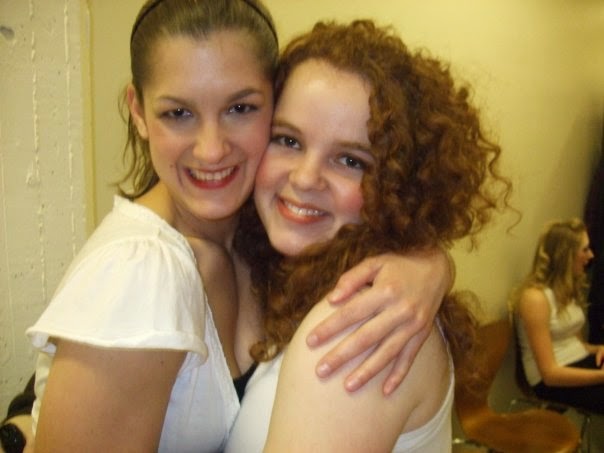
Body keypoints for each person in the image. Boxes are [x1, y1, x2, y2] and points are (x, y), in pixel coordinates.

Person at [24, 1, 451, 452]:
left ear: (272, 103)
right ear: (138, 111)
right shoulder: (140, 272)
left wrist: (429, 262)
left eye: (240, 108)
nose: (211, 150)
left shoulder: (263, 240)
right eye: (178, 113)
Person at [225, 19, 511, 452]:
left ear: (399, 186)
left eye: (351, 161)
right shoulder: (285, 280)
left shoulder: (360, 329)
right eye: (288, 140)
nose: (305, 178)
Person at [511, 218, 604, 414]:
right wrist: (601, 376)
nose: (591, 255)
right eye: (585, 249)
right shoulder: (535, 299)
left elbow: (575, 344)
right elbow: (550, 375)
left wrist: (599, 348)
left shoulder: (565, 289)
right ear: (566, 256)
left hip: (578, 364)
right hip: (553, 382)